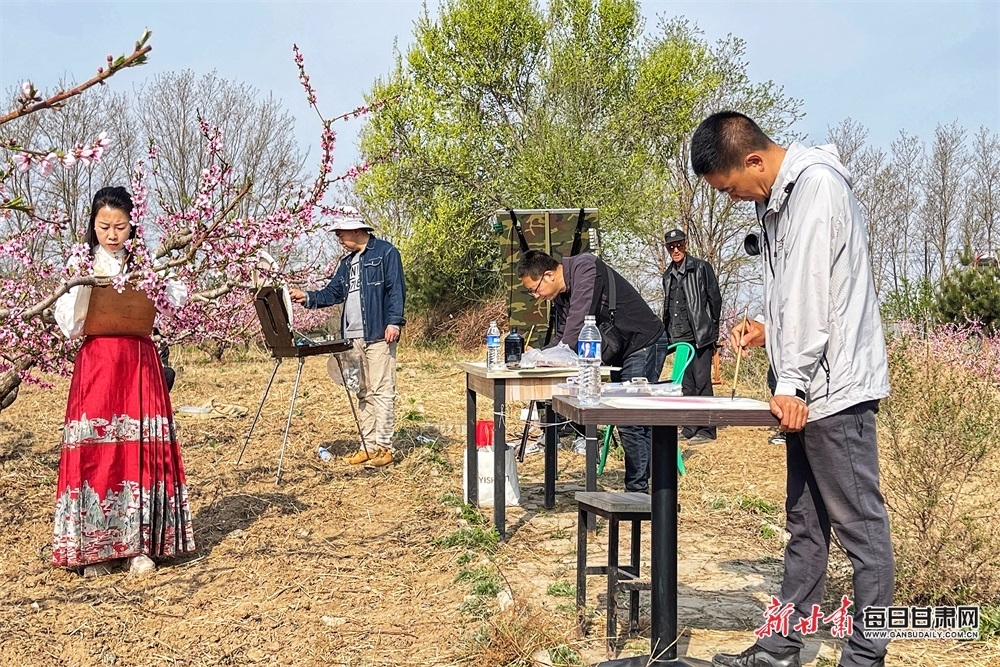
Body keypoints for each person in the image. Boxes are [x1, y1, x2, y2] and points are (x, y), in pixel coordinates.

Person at [690, 111, 893, 667]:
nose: (732, 198)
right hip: (806, 389)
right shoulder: (777, 201)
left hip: (834, 392)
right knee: (804, 526)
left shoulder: (816, 188)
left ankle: (865, 658)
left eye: (730, 187)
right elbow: (798, 297)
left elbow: (812, 295)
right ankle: (779, 648)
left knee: (861, 530)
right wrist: (768, 329)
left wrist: (793, 383)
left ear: (754, 159)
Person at [52, 186, 195, 577]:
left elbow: (175, 300)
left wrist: (154, 281)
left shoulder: (144, 262)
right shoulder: (81, 262)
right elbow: (67, 320)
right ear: (92, 225)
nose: (112, 235)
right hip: (98, 363)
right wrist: (86, 291)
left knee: (140, 449)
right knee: (95, 448)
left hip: (138, 360)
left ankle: (139, 545)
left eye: (120, 226)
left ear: (133, 225)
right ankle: (94, 549)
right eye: (104, 227)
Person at [516, 250, 663, 493]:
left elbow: (577, 323)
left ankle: (638, 492)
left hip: (642, 342)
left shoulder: (585, 267)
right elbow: (562, 336)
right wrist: (539, 356)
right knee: (629, 419)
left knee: (631, 418)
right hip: (620, 350)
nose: (535, 296)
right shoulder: (562, 294)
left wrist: (551, 356)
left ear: (549, 275)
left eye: (534, 289)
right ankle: (646, 486)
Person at [289, 208, 405, 468]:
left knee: (382, 390)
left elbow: (395, 289)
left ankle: (385, 448)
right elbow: (332, 293)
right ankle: (368, 446)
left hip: (378, 333)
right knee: (363, 391)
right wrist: (307, 296)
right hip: (352, 339)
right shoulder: (346, 263)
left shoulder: (386, 253)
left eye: (341, 233)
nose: (339, 238)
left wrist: (394, 321)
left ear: (355, 230)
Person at [661, 228, 722, 443]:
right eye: (671, 247)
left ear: (685, 245)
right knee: (686, 384)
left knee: (702, 381)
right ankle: (690, 426)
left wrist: (713, 333)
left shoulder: (701, 267)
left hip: (700, 335)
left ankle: (707, 429)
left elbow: (715, 300)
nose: (676, 250)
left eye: (679, 245)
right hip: (679, 337)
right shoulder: (667, 275)